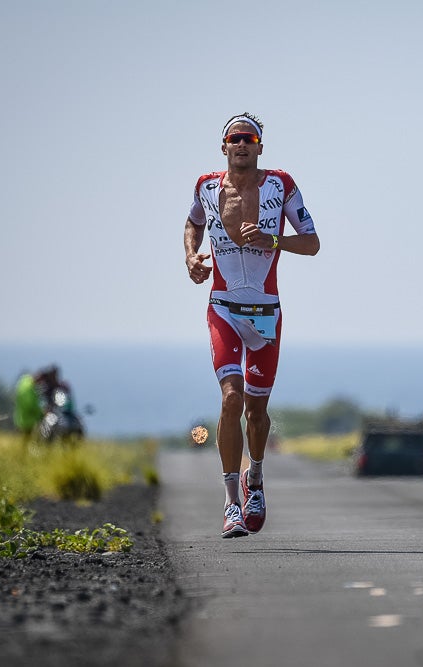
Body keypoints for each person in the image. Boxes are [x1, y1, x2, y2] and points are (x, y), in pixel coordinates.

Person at [184, 113, 320, 538]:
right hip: (222, 306)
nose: (242, 144)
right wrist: (191, 258)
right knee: (231, 399)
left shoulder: (281, 184)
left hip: (265, 312)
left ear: (261, 146)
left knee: (257, 412)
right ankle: (231, 504)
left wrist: (272, 239)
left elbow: (312, 242)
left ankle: (255, 480)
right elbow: (193, 223)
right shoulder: (206, 186)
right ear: (223, 146)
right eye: (234, 138)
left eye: (250, 138)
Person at [13, 365, 69, 439]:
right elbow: (30, 407)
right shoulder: (29, 390)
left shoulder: (25, 380)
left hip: (20, 419)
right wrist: (43, 412)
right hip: (28, 422)